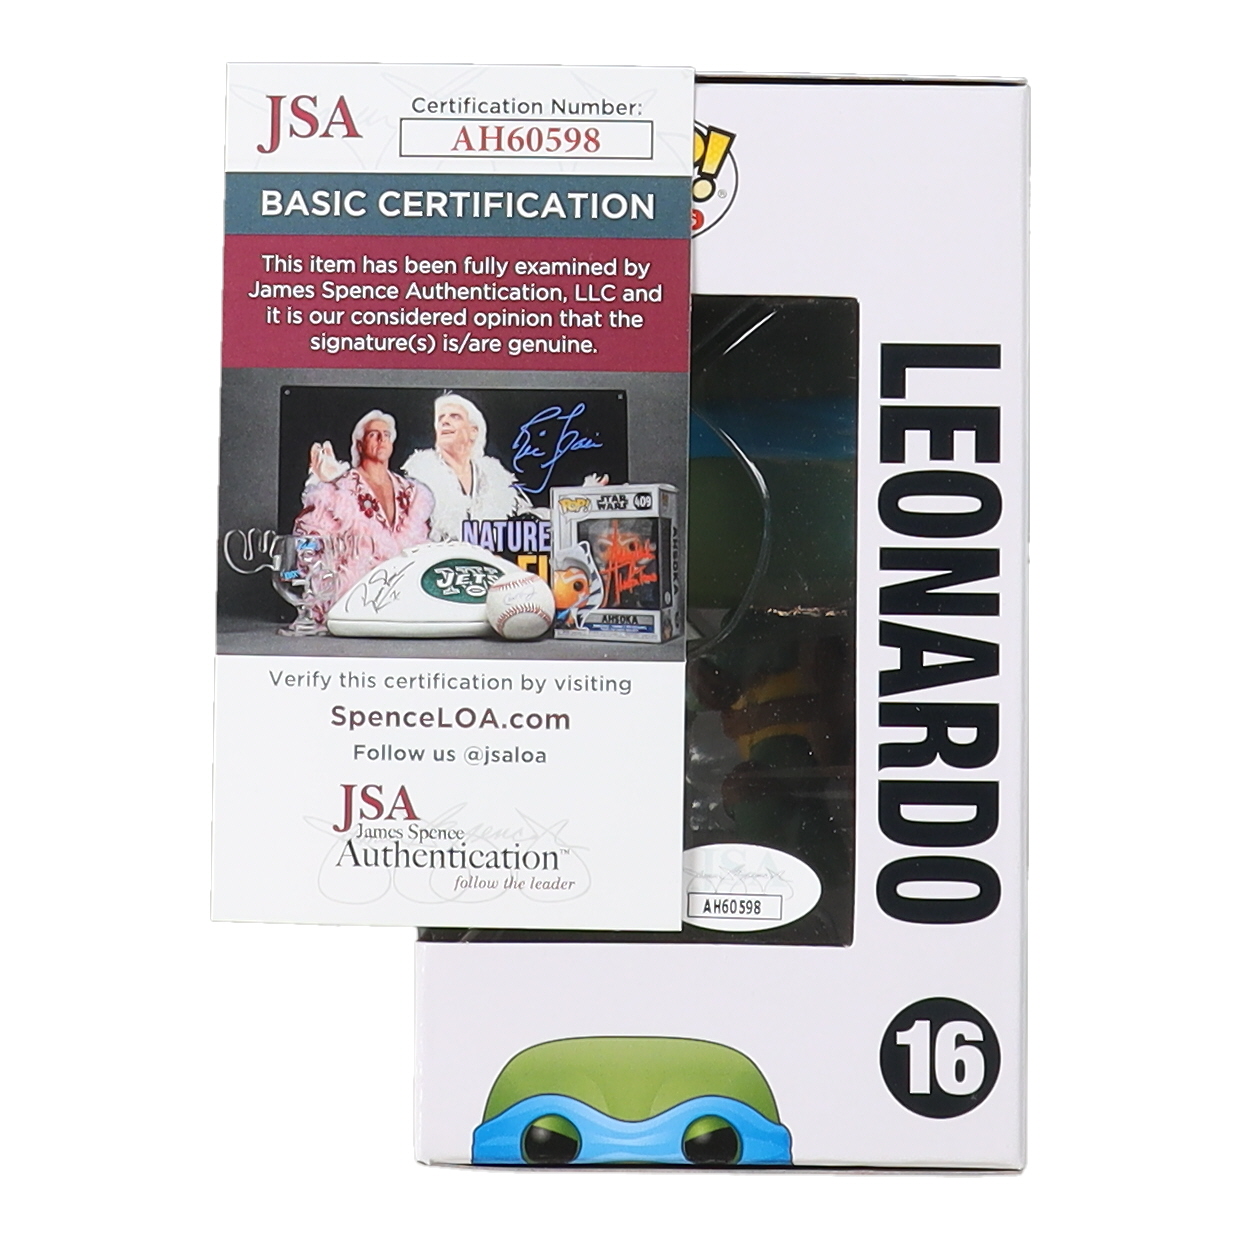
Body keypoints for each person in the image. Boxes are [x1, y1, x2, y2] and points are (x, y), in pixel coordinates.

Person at [295, 411, 434, 615]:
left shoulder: (411, 493)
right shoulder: (338, 490)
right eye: (373, 434)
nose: (381, 439)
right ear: (359, 445)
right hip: (353, 600)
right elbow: (308, 543)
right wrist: (327, 589)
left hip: (403, 600)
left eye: (386, 435)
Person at [400, 392, 535, 540]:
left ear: (473, 431)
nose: (445, 421)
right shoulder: (418, 477)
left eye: (455, 416)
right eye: (440, 418)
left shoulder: (496, 478)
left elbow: (528, 517)